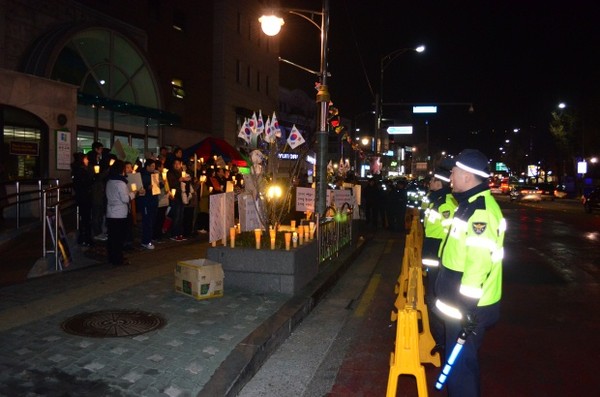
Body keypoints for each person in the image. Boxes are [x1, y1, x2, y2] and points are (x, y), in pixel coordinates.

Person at [434, 149, 506, 396]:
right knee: (459, 368)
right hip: (461, 304)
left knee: (461, 369)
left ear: (467, 176)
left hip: (469, 308)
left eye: (454, 171)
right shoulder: (468, 205)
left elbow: (478, 265)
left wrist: (467, 309)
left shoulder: (480, 213)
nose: (450, 175)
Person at [421, 165, 457, 349]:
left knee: (437, 298)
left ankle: (441, 339)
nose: (430, 183)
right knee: (433, 296)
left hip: (439, 256)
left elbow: (446, 234)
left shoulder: (445, 204)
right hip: (433, 254)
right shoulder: (437, 200)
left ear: (441, 183)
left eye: (434, 181)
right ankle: (439, 337)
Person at [105, 160, 138, 266]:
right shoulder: (120, 183)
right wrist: (133, 194)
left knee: (112, 237)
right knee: (118, 238)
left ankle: (112, 258)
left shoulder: (109, 181)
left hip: (110, 212)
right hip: (119, 214)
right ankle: (118, 259)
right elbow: (125, 199)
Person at [71, 152, 94, 246]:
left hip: (81, 197)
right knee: (86, 218)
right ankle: (86, 238)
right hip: (84, 197)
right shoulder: (82, 171)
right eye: (86, 159)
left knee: (84, 218)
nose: (87, 160)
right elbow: (87, 183)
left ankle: (84, 237)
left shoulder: (77, 170)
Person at [166, 158, 190, 241]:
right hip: (175, 196)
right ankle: (174, 234)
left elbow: (186, 183)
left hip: (182, 196)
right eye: (175, 163)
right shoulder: (170, 173)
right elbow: (171, 184)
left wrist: (187, 180)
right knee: (176, 215)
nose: (177, 165)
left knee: (181, 215)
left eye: (178, 163)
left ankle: (180, 233)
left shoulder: (181, 172)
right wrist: (179, 180)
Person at [137, 158, 159, 249]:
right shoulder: (142, 175)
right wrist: (147, 187)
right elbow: (140, 187)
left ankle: (148, 239)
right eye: (152, 166)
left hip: (153, 200)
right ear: (147, 166)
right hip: (146, 201)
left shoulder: (154, 174)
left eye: (155, 166)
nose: (154, 167)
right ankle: (146, 241)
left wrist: (160, 182)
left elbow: (157, 186)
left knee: (152, 220)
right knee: (147, 221)